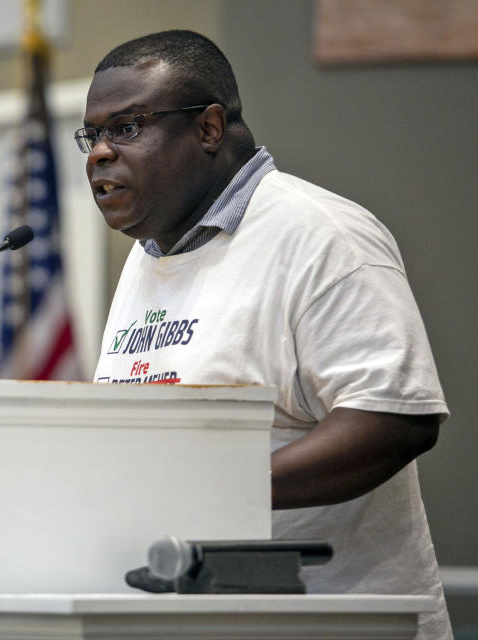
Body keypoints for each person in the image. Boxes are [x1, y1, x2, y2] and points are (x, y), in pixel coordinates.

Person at [81, 30, 449, 638]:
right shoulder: (147, 261)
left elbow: (393, 419)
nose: (99, 153)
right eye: (91, 135)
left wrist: (210, 486)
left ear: (208, 128)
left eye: (126, 128)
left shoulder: (322, 236)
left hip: (331, 620)